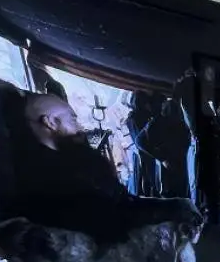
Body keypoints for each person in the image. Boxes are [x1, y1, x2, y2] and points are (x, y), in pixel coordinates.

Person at [15, 93, 198, 243]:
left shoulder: (76, 157)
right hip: (110, 240)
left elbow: (121, 202)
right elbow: (110, 219)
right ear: (50, 122)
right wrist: (166, 213)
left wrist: (175, 206)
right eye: (72, 120)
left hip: (119, 222)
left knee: (182, 205)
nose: (80, 127)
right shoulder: (48, 175)